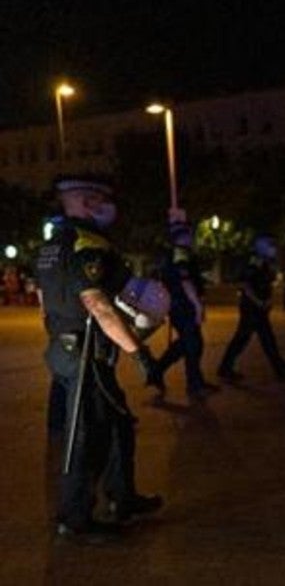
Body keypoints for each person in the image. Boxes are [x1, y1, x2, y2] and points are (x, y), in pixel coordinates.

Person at [34, 174, 163, 543]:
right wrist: (138, 353)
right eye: (101, 199)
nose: (108, 207)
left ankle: (123, 497)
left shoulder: (50, 246)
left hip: (64, 349)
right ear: (89, 202)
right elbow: (99, 306)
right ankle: (74, 520)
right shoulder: (87, 245)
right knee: (88, 437)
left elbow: (46, 304)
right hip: (85, 353)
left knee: (119, 422)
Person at [151, 221, 219, 399]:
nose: (192, 238)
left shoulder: (173, 254)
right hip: (184, 306)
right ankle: (194, 386)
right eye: (188, 234)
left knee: (188, 344)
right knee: (193, 345)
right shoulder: (180, 254)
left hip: (178, 306)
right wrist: (197, 306)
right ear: (181, 236)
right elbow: (185, 282)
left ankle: (156, 371)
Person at [217, 234, 285, 382]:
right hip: (252, 308)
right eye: (270, 245)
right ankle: (225, 367)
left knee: (264, 338)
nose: (273, 248)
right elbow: (246, 285)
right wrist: (259, 301)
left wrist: (265, 301)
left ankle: (279, 367)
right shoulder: (254, 262)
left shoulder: (265, 262)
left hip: (258, 307)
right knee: (245, 338)